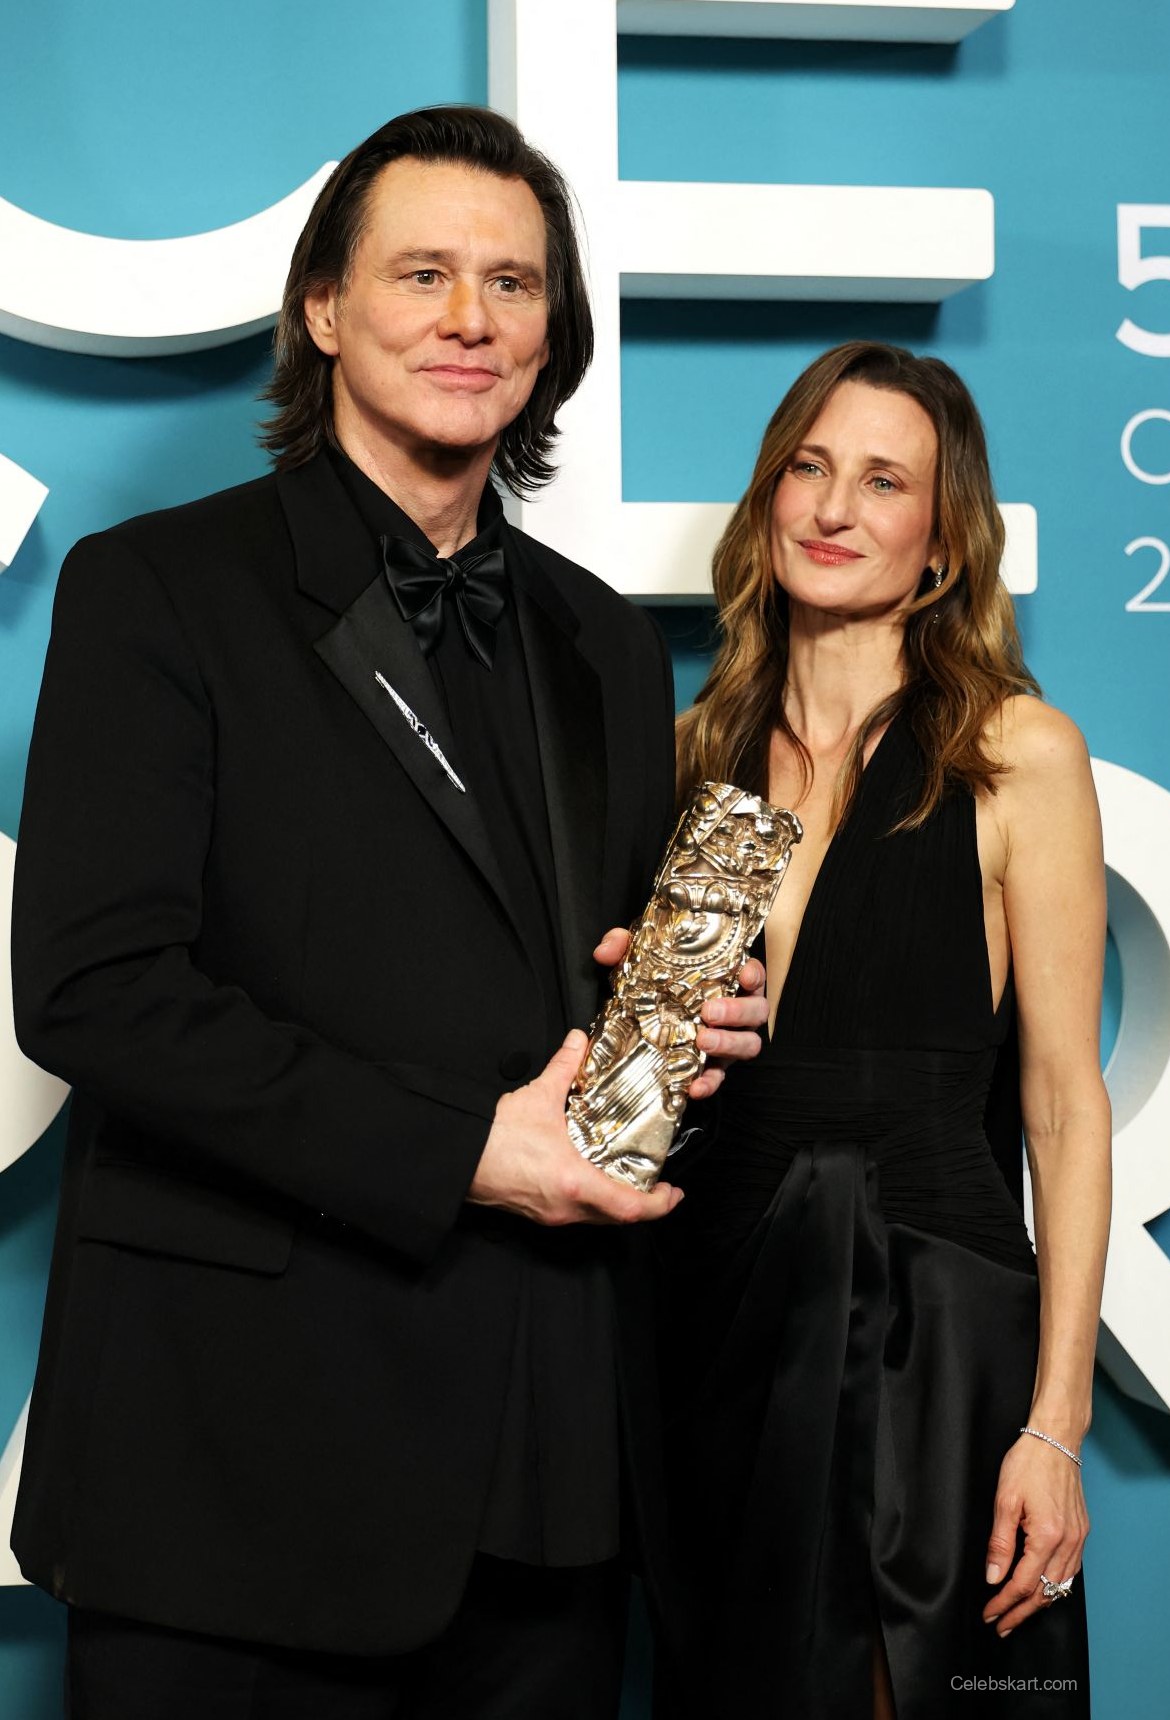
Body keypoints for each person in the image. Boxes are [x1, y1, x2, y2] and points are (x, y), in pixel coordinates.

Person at [9, 106, 765, 1720]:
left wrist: (687, 1025)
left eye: (512, 283)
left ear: (551, 338)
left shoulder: (606, 642)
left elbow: (576, 992)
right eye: (422, 273)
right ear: (324, 309)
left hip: (548, 1490)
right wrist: (462, 1150)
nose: (468, 318)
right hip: (235, 1479)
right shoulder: (157, 589)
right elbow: (95, 989)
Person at [656, 342, 1108, 1719]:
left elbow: (1060, 1107)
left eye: (882, 480)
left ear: (943, 540)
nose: (833, 508)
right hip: (721, 1314)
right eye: (808, 466)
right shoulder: (688, 756)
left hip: (937, 1324)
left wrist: (1054, 1424)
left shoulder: (1015, 753)